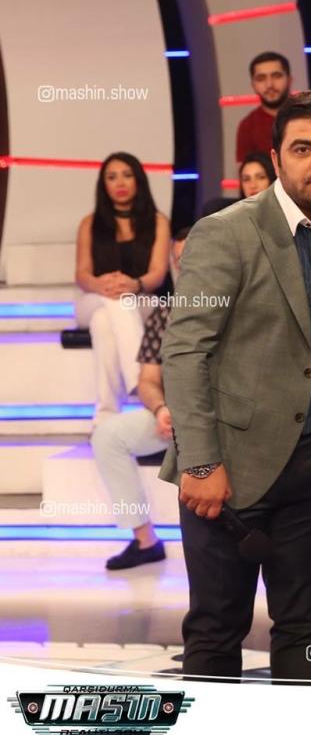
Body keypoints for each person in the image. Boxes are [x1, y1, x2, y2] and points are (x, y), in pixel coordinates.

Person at [160, 90, 311, 682]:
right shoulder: (226, 232)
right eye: (303, 149)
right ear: (276, 158)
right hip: (229, 467)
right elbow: (185, 350)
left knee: (304, 630)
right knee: (214, 630)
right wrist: (201, 462)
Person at [91, 228, 190, 570]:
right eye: (178, 260)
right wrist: (160, 408)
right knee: (107, 436)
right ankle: (145, 540)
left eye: (191, 257)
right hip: (173, 419)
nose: (184, 266)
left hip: (221, 420)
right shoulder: (166, 313)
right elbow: (147, 379)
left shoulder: (234, 306)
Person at [74, 152, 170, 427]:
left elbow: (158, 273)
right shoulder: (89, 223)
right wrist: (101, 284)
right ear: (103, 184)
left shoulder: (157, 221)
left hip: (141, 300)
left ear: (138, 180)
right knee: (110, 306)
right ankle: (140, 381)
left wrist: (134, 284)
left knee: (104, 323)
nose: (120, 183)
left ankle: (105, 416)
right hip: (95, 297)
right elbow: (81, 274)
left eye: (127, 175)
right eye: (112, 177)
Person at [235, 51, 291, 162]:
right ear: (253, 85)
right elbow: (245, 170)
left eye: (276, 76)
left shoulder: (309, 116)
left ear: (289, 80)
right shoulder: (247, 126)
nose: (269, 85)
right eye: (261, 78)